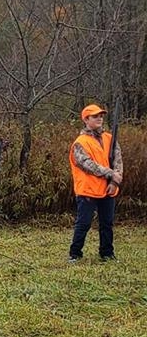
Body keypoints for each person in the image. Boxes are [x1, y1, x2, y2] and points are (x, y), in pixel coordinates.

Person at [68, 104, 123, 262]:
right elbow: (87, 164)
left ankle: (107, 253)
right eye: (95, 116)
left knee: (107, 223)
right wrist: (110, 173)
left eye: (101, 115)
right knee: (83, 223)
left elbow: (118, 161)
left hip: (108, 188)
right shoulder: (80, 143)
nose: (99, 118)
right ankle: (75, 254)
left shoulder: (110, 139)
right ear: (86, 120)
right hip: (88, 190)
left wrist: (115, 182)